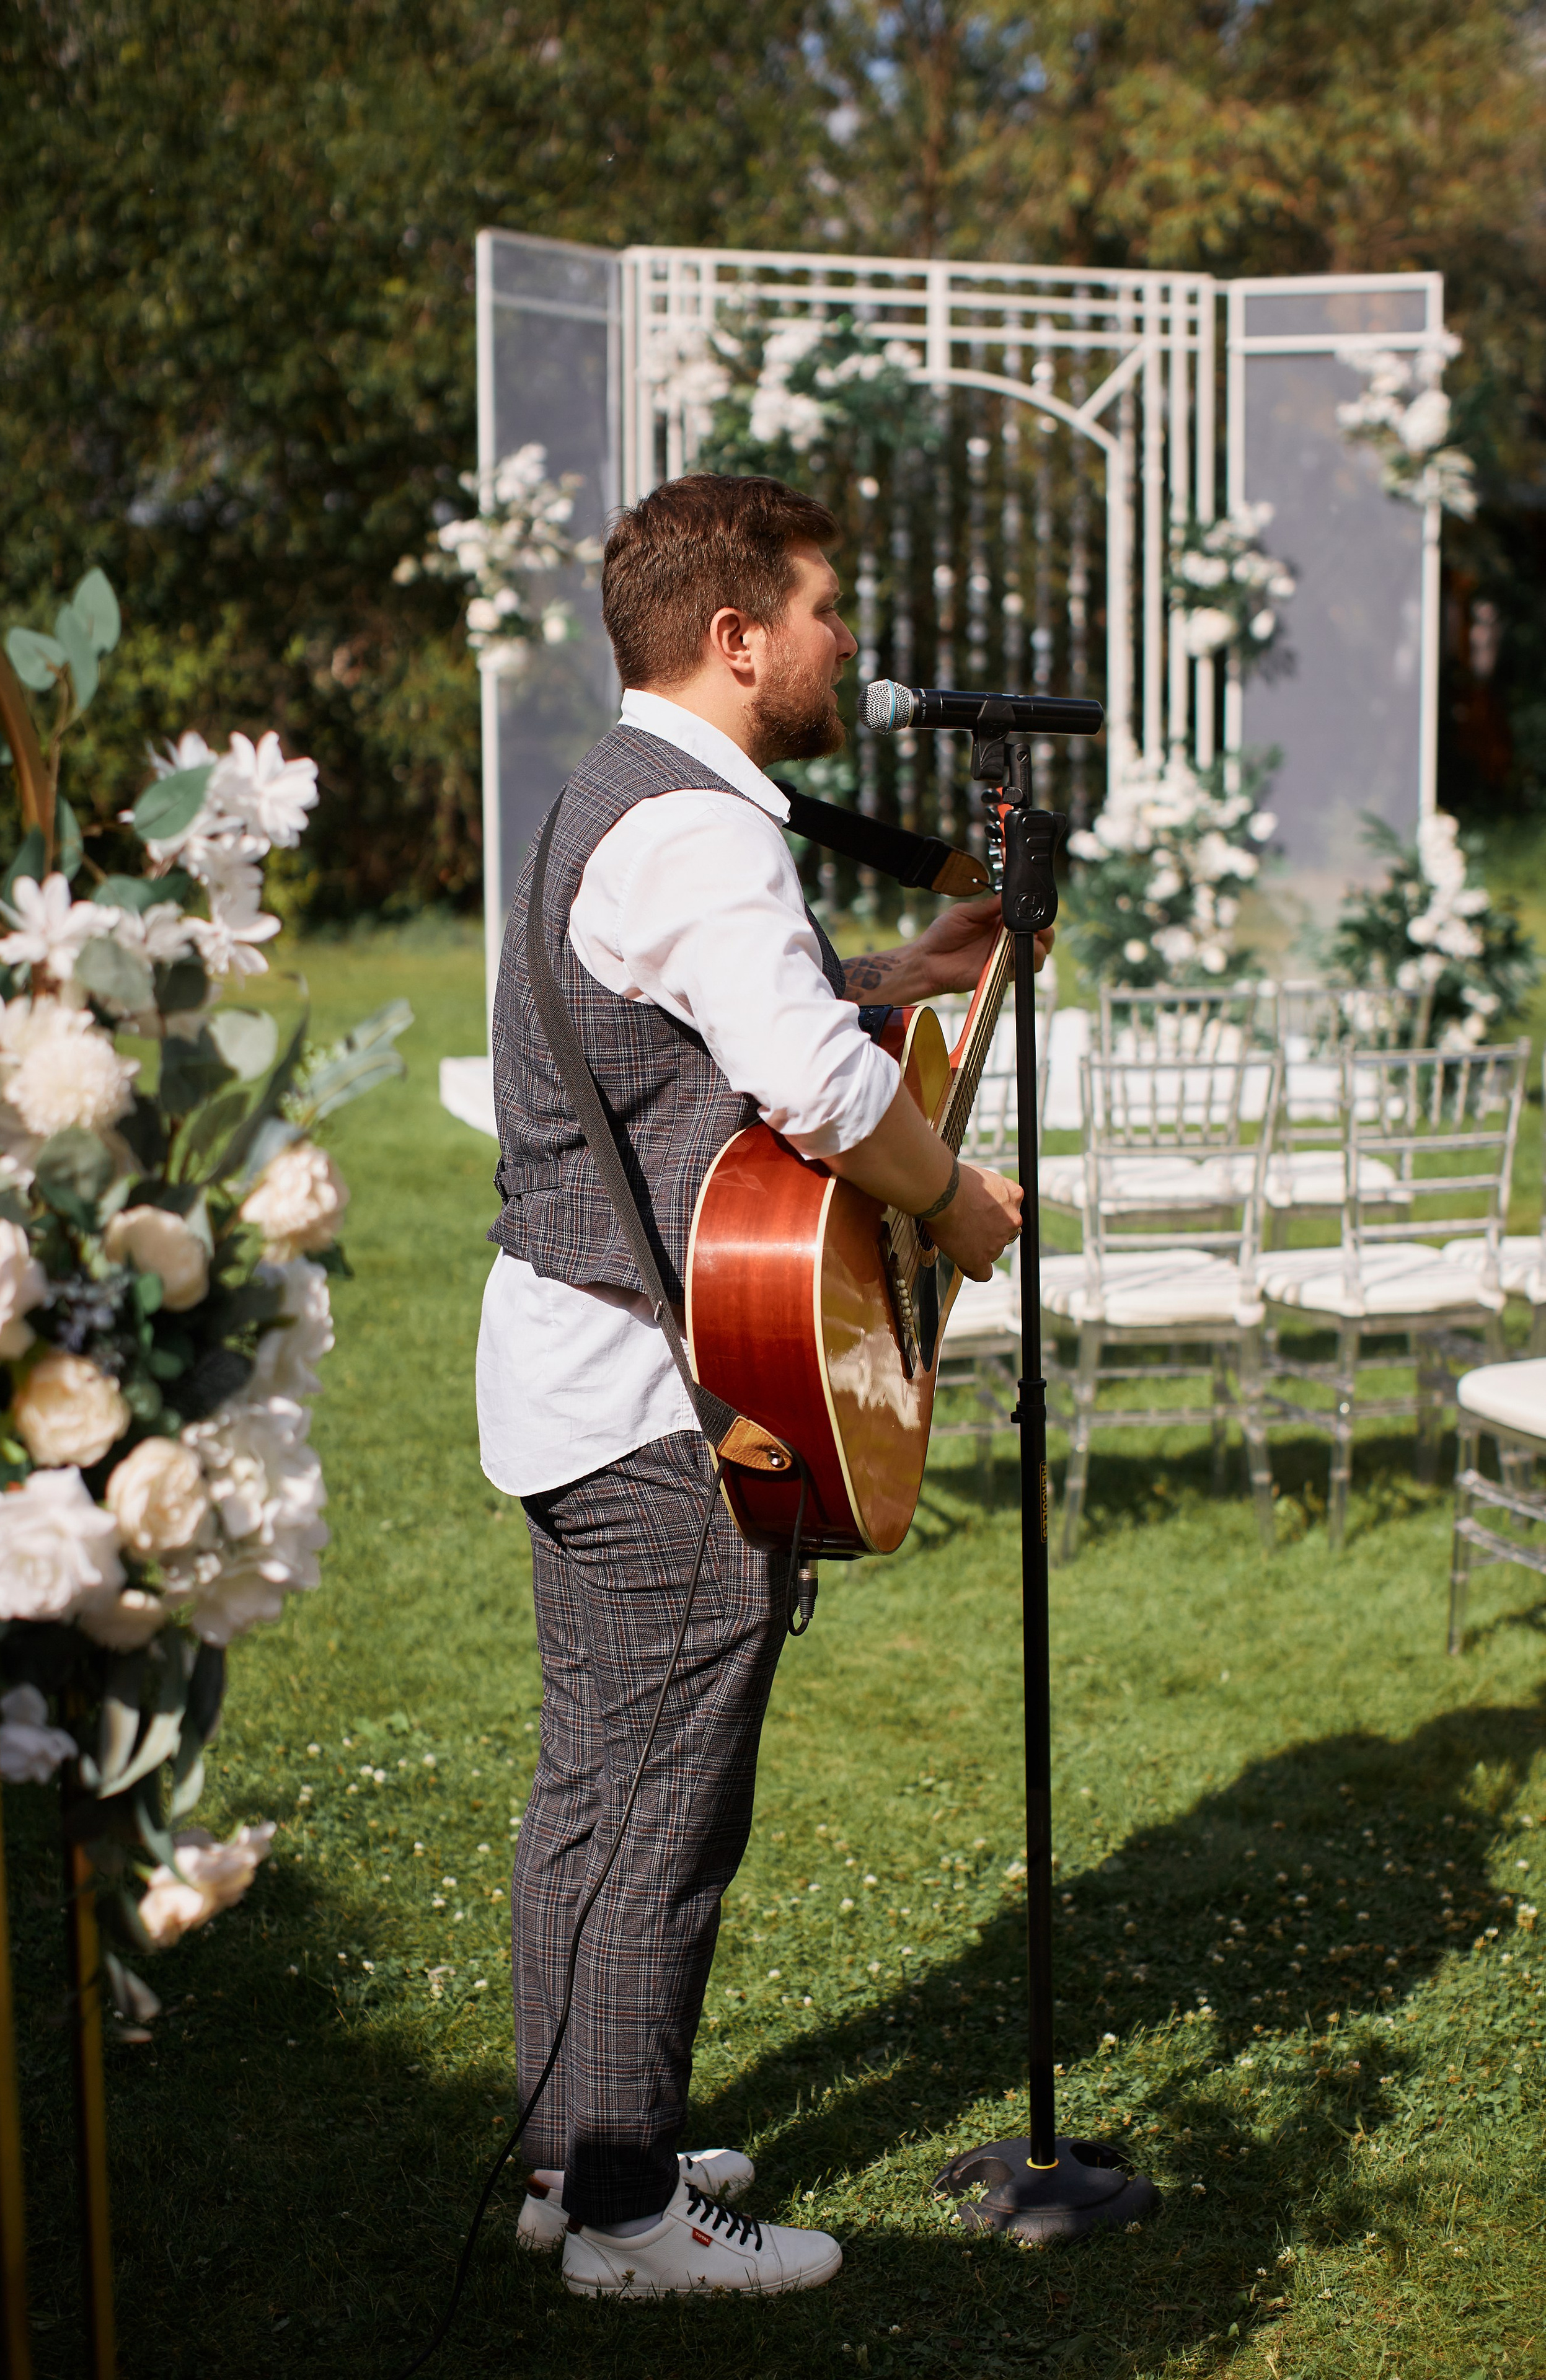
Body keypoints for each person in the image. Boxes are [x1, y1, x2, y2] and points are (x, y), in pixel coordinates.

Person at [476, 473, 1047, 2299]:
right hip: (659, 1396)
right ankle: (636, 2222)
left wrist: (911, 964)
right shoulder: (706, 830)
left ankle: (579, 2155)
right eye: (822, 611)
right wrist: (953, 1200)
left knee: (596, 1790)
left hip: (575, 1364)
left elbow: (715, 1014)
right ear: (738, 639)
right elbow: (801, 1079)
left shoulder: (619, 789)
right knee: (664, 1812)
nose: (845, 643)